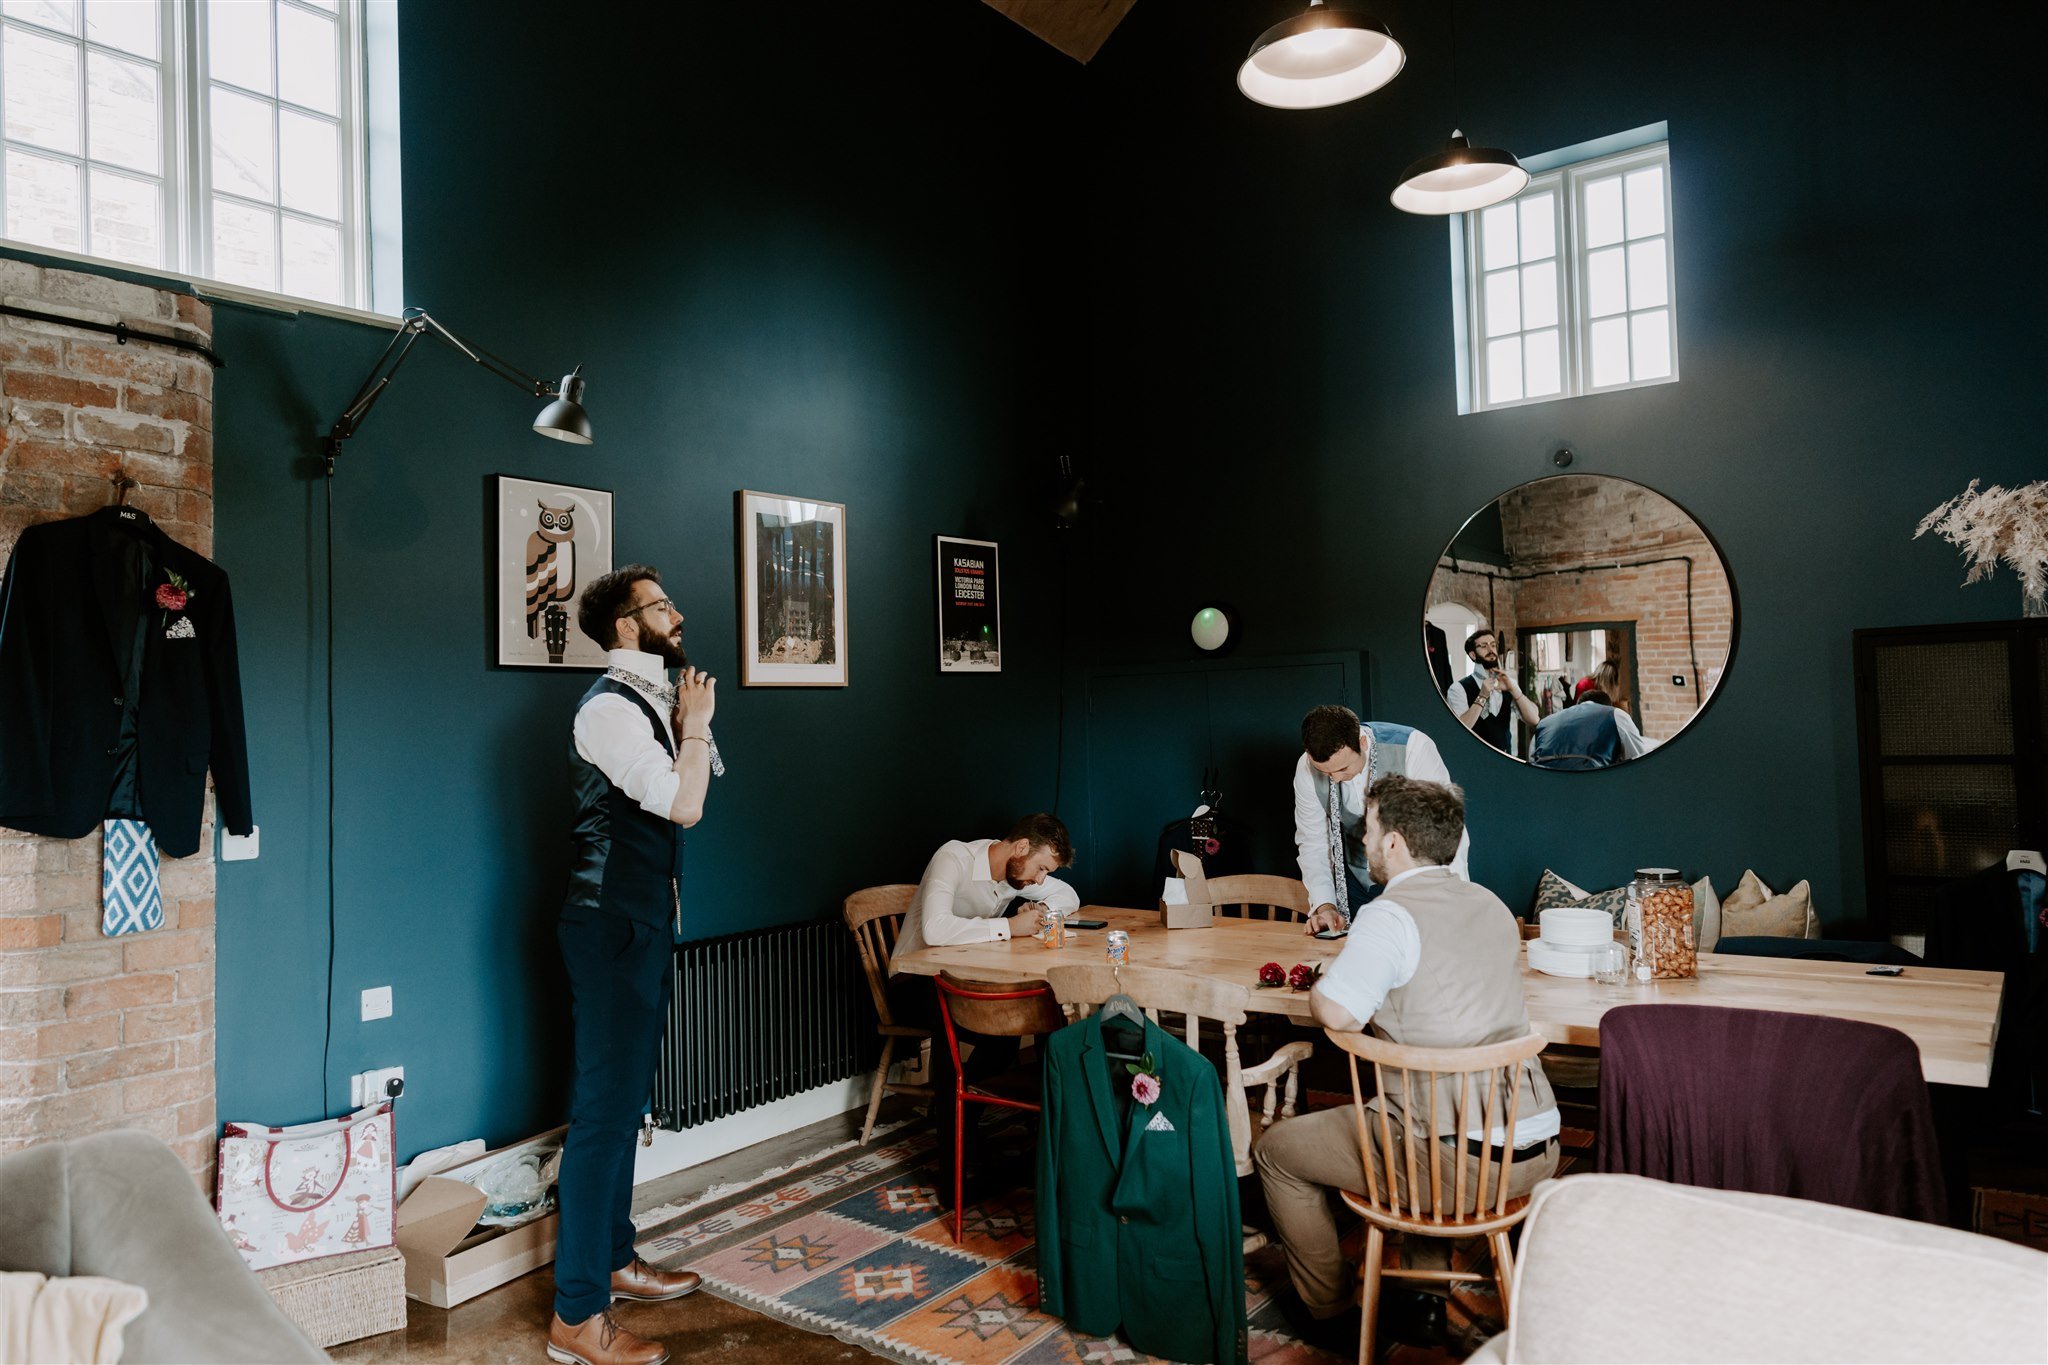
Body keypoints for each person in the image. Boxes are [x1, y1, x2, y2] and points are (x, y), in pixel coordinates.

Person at [1255, 776, 1558, 1337]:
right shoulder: (1491, 904)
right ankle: (1423, 1303)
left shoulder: (1389, 915)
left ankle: (1330, 1313)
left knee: (1277, 1152)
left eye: (1368, 830)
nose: (1363, 842)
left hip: (1459, 1161)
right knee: (1415, 1127)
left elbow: (1338, 1014)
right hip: (1535, 1143)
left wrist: (1325, 984)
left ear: (1394, 842)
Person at [550, 565, 720, 1365]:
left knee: (628, 1108)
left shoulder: (653, 696)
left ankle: (614, 1259)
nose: (677, 614)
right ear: (626, 625)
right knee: (603, 1118)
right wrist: (695, 723)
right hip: (609, 922)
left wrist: (691, 719)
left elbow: (693, 794)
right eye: (662, 605)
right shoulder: (610, 709)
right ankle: (575, 1318)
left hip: (644, 922)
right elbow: (683, 803)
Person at [1293, 705, 1468, 935]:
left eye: (1343, 768)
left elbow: (1445, 831)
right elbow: (1313, 842)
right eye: (1325, 773)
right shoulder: (1306, 767)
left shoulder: (1413, 748)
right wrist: (1325, 906)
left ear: (1362, 743)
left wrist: (1450, 901)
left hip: (1414, 882)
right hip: (1352, 886)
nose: (1334, 779)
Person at [888, 814, 1079, 969]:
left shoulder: (1016, 875)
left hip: (967, 969)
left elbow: (1068, 895)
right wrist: (1011, 926)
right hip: (915, 974)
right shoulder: (953, 857)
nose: (1040, 880)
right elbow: (934, 930)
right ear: (1021, 847)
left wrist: (1040, 910)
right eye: (1041, 868)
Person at [1445, 628, 1539, 756]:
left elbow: (1534, 719)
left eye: (1493, 645)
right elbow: (1461, 729)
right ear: (1473, 655)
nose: (1491, 650)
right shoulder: (1458, 689)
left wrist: (1514, 690)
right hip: (1474, 762)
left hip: (1506, 761)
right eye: (1484, 646)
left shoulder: (1508, 683)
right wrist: (1482, 695)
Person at [1530, 688, 1650, 770]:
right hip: (1594, 790)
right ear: (1606, 706)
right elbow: (1640, 762)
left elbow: (1532, 763)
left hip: (1546, 792)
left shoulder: (1544, 724)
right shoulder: (1615, 715)